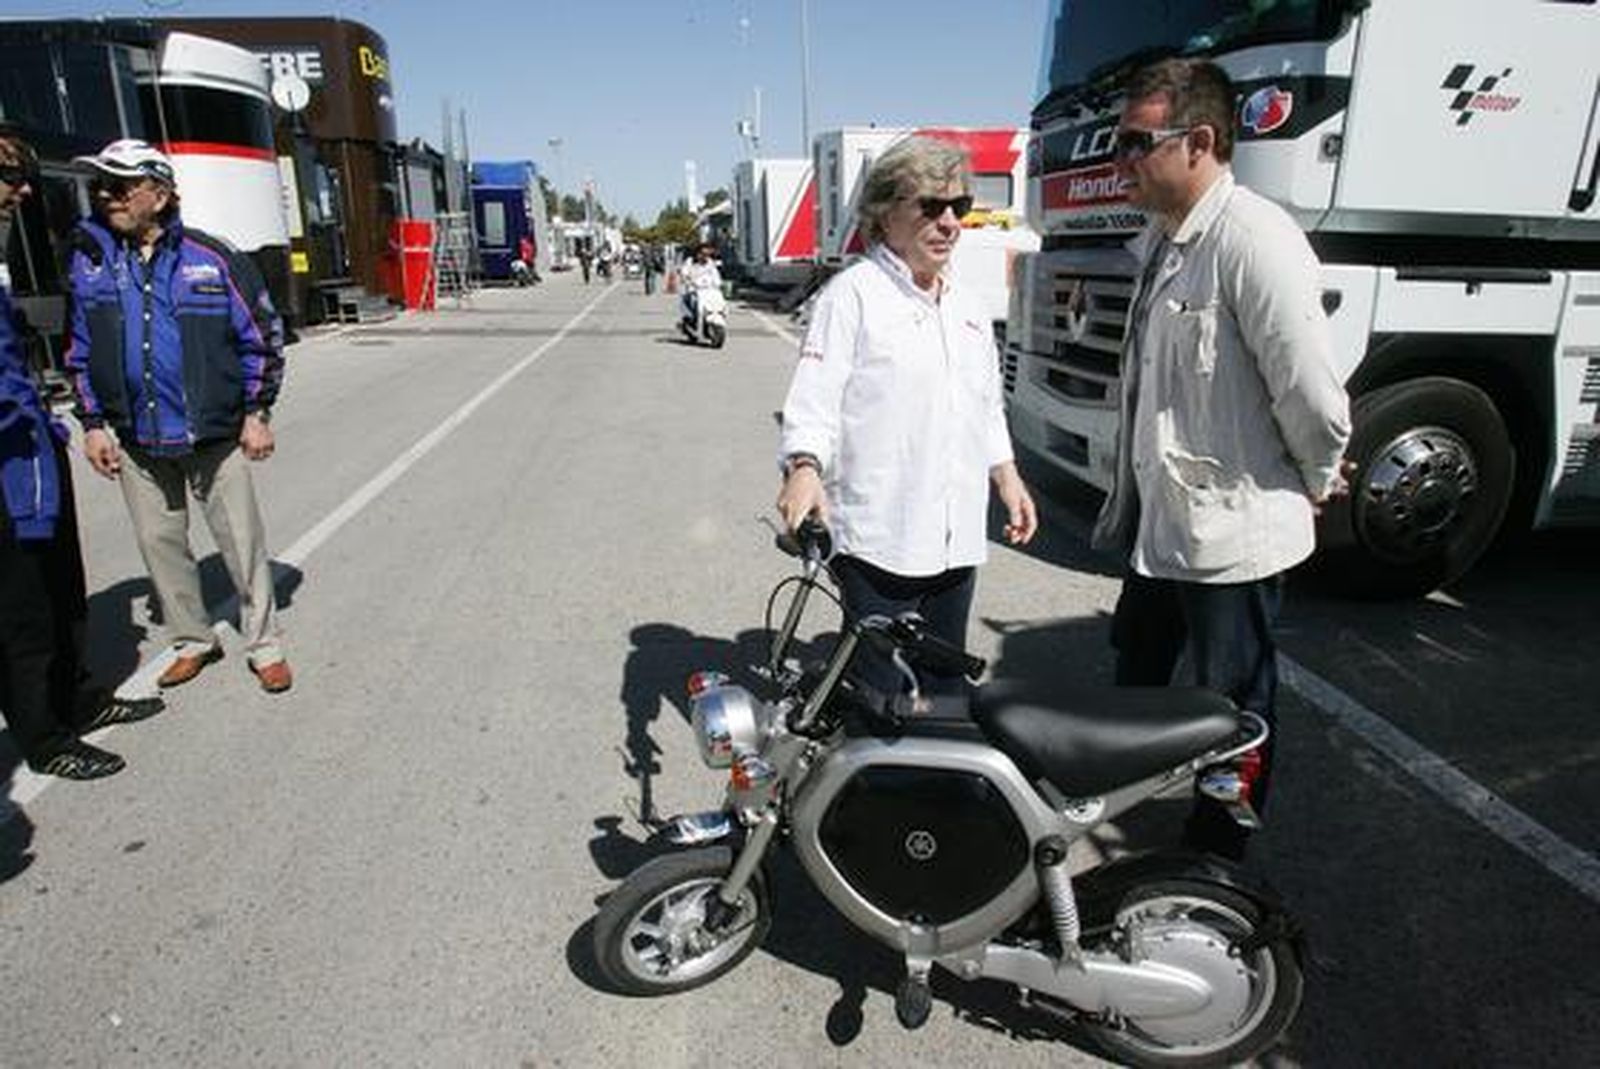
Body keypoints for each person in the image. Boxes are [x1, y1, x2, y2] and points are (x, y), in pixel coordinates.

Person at [1090, 59, 1351, 859]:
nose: (1120, 161)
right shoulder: (1165, 242)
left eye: (1137, 142)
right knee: (1136, 669)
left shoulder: (1253, 239)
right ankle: (1110, 807)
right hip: (1163, 525)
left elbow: (1311, 389)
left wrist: (1314, 477)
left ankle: (1214, 862)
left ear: (1199, 141)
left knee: (1234, 708)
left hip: (1231, 536)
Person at [776, 137, 1037, 712]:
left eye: (959, 207)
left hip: (956, 537)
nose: (948, 223)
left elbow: (985, 403)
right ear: (885, 212)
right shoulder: (852, 297)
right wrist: (803, 467)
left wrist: (1007, 475)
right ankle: (874, 798)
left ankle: (937, 795)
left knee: (945, 688)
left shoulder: (966, 306)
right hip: (878, 540)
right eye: (930, 206)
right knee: (881, 695)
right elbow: (813, 402)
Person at [64, 139, 293, 695]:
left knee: (241, 543)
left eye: (119, 186)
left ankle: (264, 645)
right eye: (100, 186)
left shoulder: (211, 258)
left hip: (212, 434)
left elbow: (261, 337)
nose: (105, 196)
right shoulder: (91, 262)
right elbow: (78, 348)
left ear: (160, 194)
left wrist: (256, 411)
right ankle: (193, 639)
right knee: (160, 547)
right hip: (138, 437)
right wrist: (92, 423)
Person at [1, 124, 163, 780]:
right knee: (23, 609)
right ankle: (44, 734)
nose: (21, 189)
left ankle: (79, 698)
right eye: (8, 176)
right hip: (6, 465)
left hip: (34, 450)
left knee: (64, 589)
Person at [677, 243, 722, 329]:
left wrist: (718, 282)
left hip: (709, 289)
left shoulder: (710, 263)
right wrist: (686, 278)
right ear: (697, 253)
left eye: (707, 254)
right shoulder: (690, 261)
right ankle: (692, 320)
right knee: (694, 301)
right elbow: (684, 272)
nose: (705, 256)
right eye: (703, 254)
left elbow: (715, 274)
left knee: (716, 300)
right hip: (693, 290)